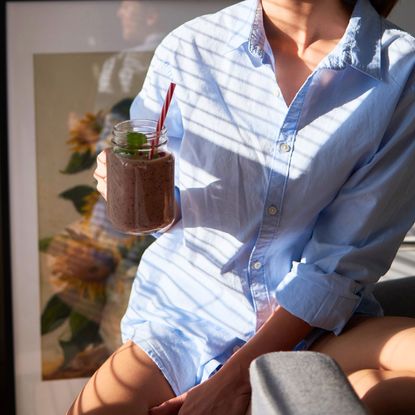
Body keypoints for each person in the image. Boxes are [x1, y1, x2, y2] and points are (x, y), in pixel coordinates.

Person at [68, 0, 415, 414]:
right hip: (184, 324)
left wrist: (235, 381)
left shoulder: (400, 69)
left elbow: (339, 265)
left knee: (373, 391)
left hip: (313, 330)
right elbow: (162, 204)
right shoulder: (192, 47)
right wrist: (139, 194)